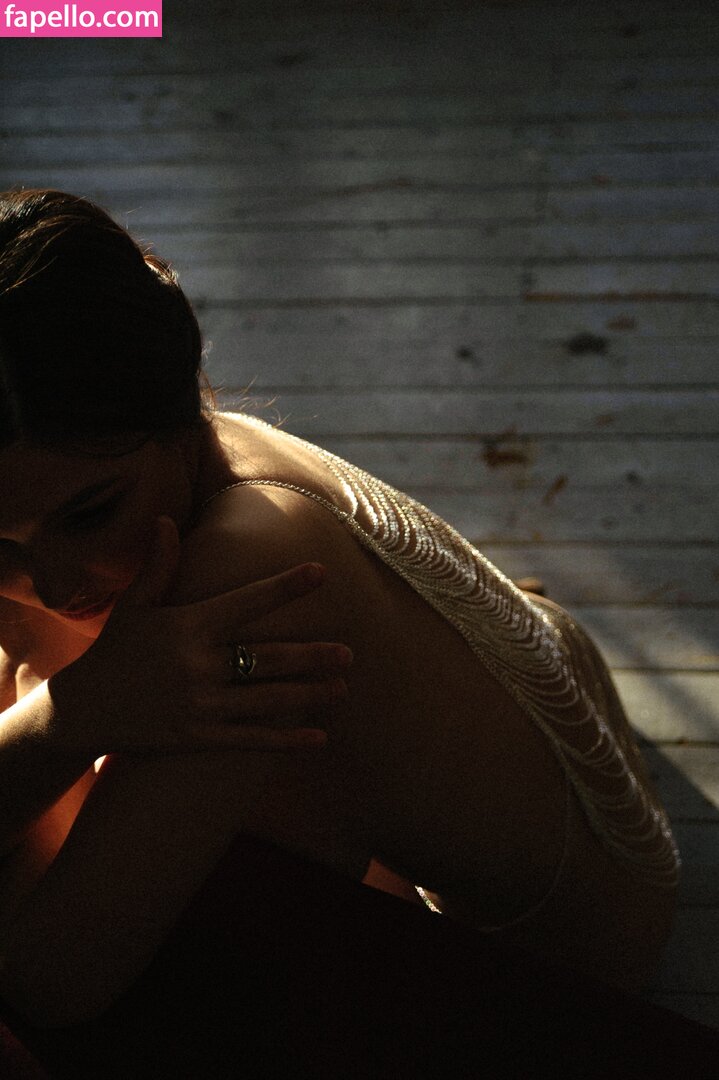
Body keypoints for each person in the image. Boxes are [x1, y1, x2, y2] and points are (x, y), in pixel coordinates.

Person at [0, 189, 678, 1031]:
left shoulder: (254, 577)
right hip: (556, 684)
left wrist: (72, 715)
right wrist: (75, 708)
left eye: (93, 512)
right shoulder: (176, 453)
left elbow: (49, 986)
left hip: (568, 950)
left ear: (173, 409)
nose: (54, 582)